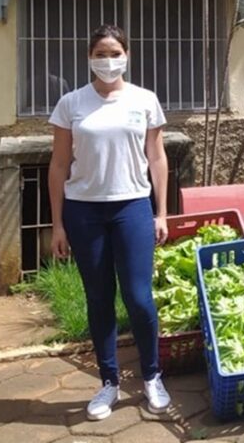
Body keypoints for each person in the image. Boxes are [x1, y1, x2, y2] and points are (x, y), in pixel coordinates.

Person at [48, 24, 172, 420]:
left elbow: (156, 158)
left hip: (132, 207)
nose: (107, 60)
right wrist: (58, 224)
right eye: (100, 53)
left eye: (114, 52)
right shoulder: (71, 103)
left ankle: (152, 375)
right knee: (99, 297)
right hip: (84, 211)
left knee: (138, 297)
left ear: (127, 55)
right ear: (89, 58)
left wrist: (161, 211)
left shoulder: (144, 100)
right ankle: (109, 383)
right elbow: (58, 164)